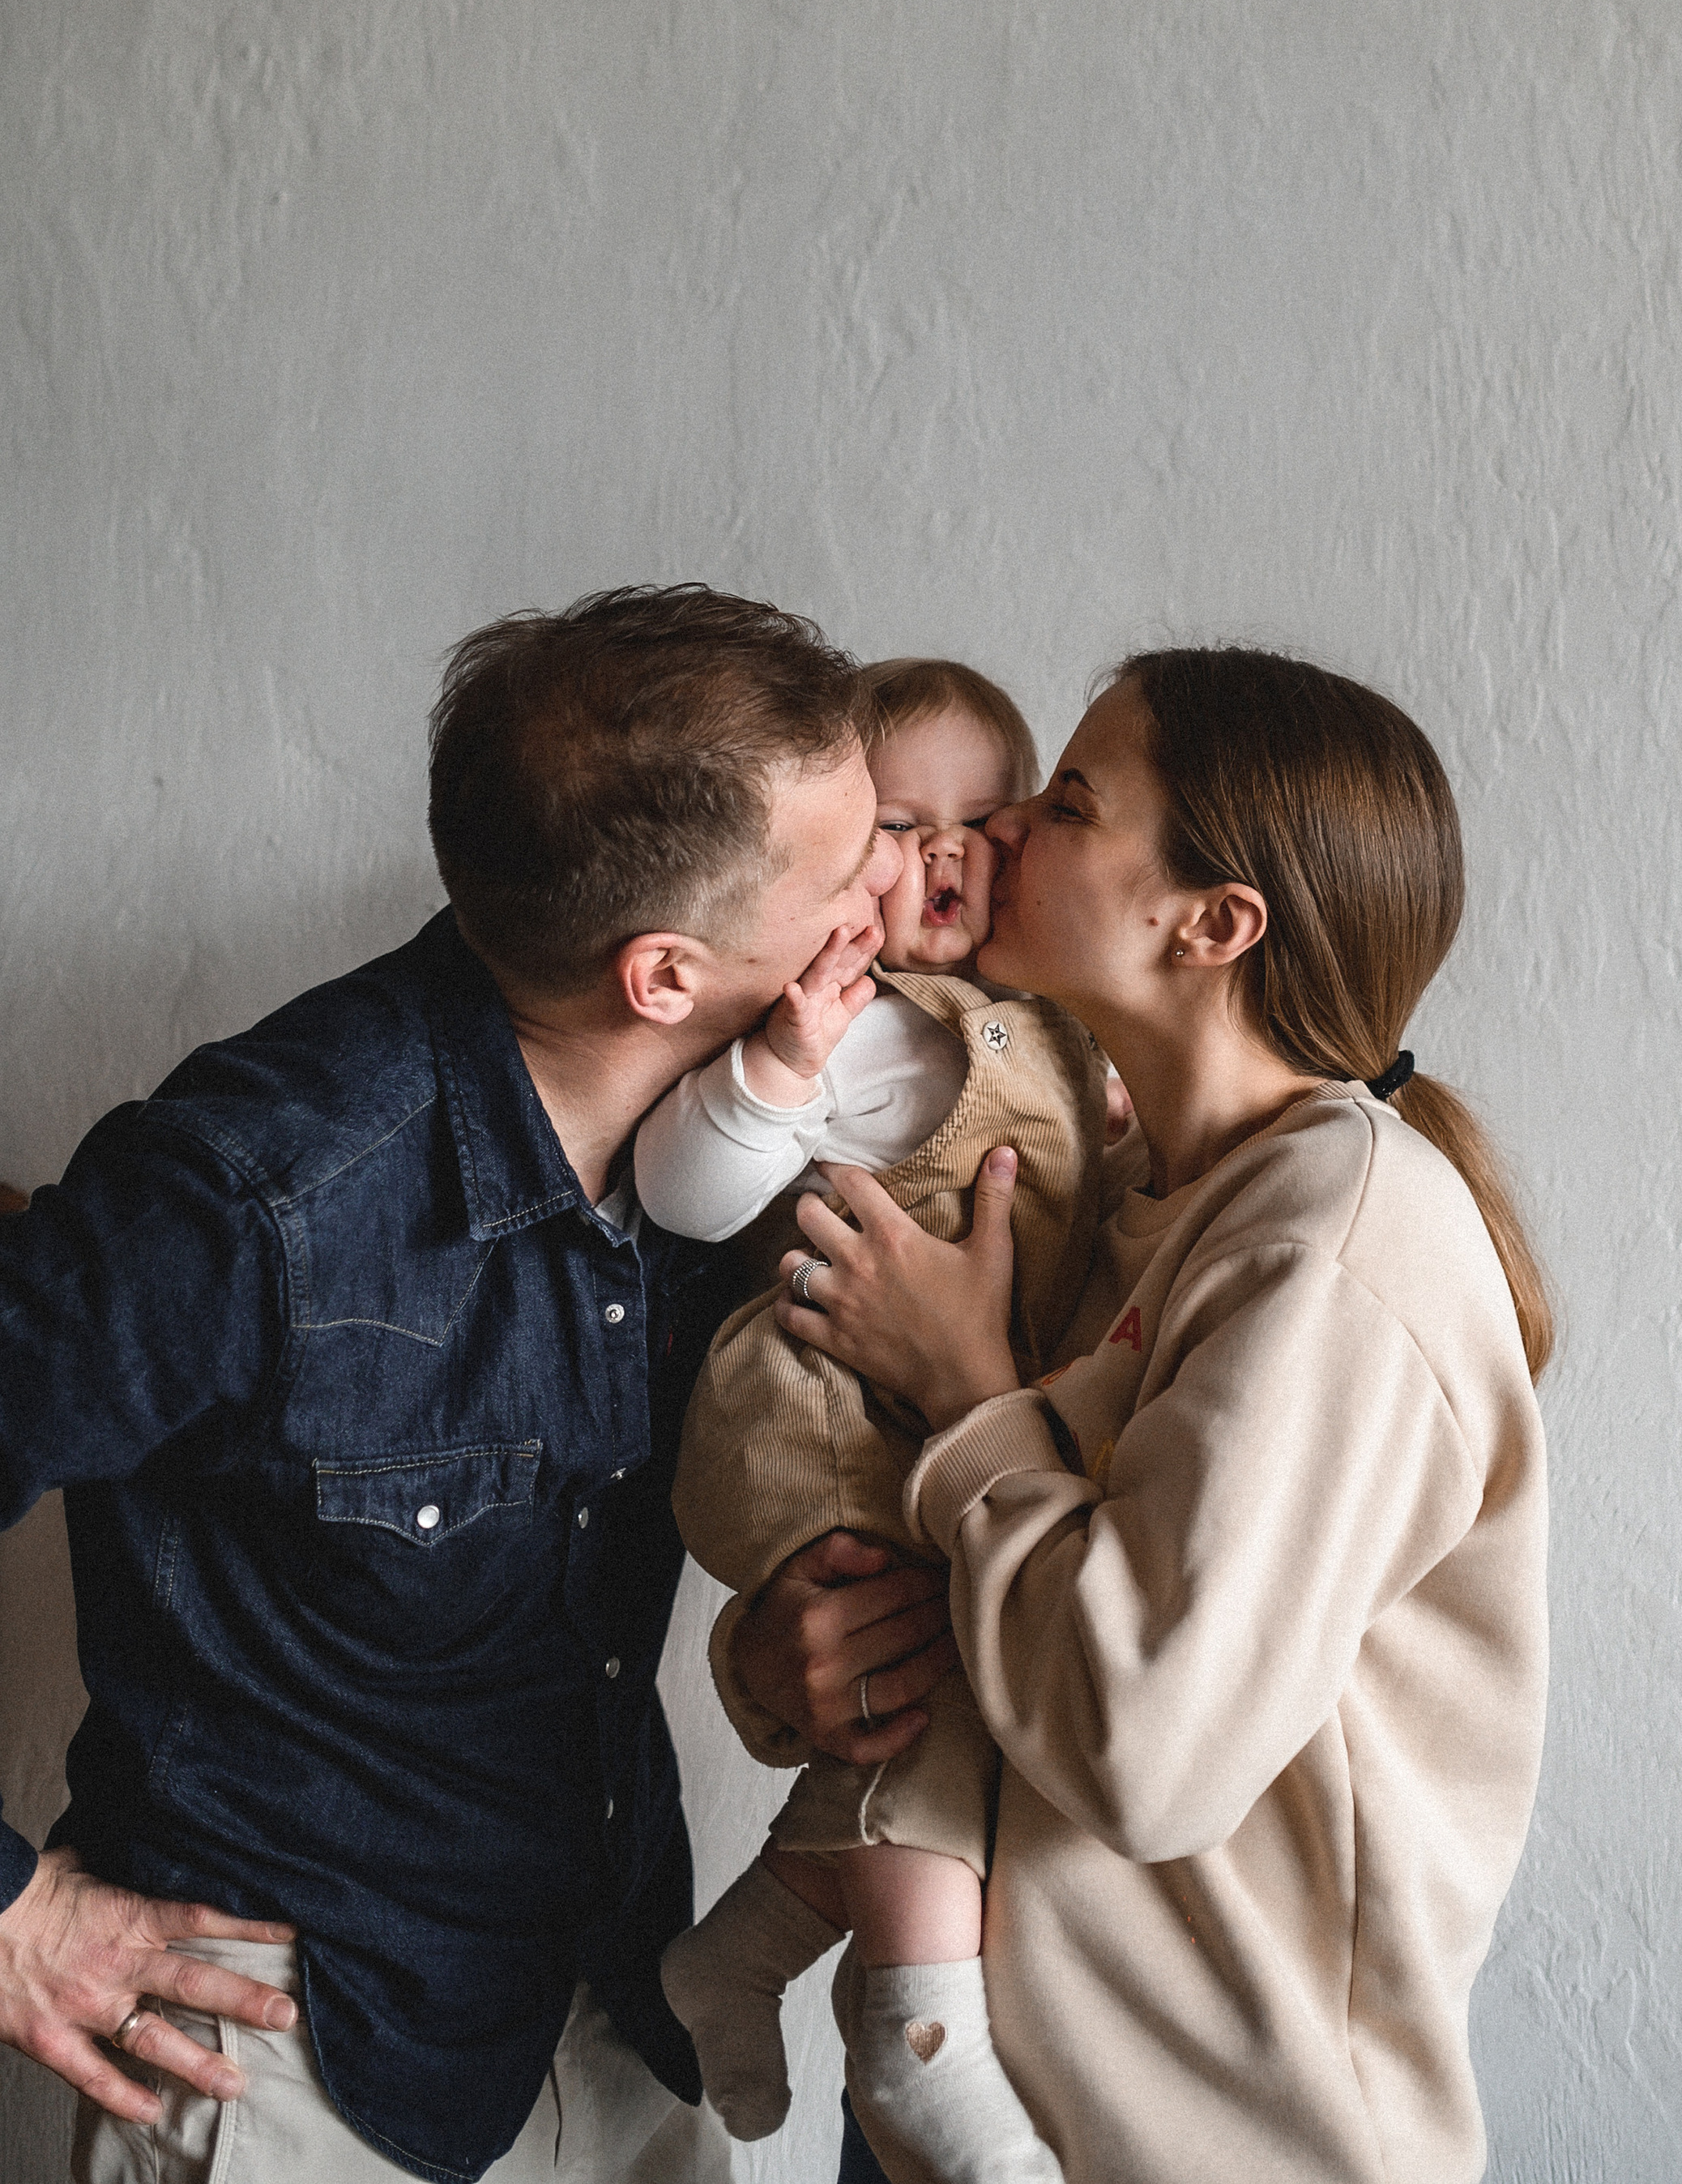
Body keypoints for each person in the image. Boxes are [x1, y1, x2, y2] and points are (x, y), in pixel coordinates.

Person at [0, 584, 954, 2184]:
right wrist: (9, 1913)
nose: (891, 887)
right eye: (847, 862)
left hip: (612, 2001)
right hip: (290, 2051)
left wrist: (766, 1657)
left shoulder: (745, 1143)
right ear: (663, 974)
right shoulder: (250, 1198)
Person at [750, 645, 1554, 2184]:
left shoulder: (1336, 1243)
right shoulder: (1115, 1195)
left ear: (1213, 923)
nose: (993, 837)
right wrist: (796, 1656)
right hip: (965, 2102)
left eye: (1065, 802)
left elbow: (1145, 1748)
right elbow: (981, 1605)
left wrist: (970, 1394)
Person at [635, 659, 1104, 2184]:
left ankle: (748, 1947)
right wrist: (774, 1072)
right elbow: (684, 1190)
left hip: (936, 1430)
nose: (950, 851)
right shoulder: (847, 1025)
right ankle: (918, 2046)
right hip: (821, 1407)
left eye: (990, 817)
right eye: (902, 824)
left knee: (941, 1666)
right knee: (927, 1672)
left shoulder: (1056, 1029)